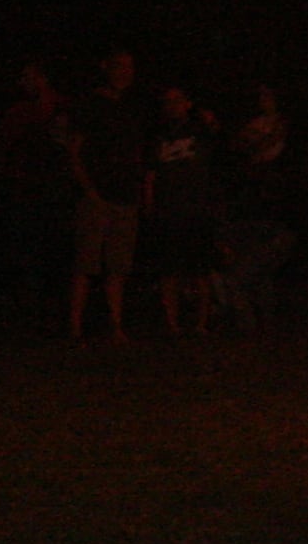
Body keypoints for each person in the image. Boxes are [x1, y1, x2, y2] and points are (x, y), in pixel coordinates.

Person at [66, 52, 146, 343]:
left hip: (125, 196)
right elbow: (74, 150)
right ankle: (75, 326)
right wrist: (89, 191)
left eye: (130, 67)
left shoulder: (131, 107)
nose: (126, 72)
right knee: (87, 263)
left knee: (118, 266)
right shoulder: (91, 105)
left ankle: (115, 325)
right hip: (97, 195)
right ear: (106, 68)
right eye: (120, 66)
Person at [140, 83, 224, 337]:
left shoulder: (200, 131)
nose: (173, 105)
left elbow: (223, 146)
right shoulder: (158, 136)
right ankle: (172, 324)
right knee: (169, 271)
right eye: (168, 101)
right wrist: (149, 203)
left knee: (199, 270)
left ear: (187, 103)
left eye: (178, 100)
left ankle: (200, 324)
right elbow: (151, 173)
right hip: (168, 209)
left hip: (197, 208)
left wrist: (212, 124)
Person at [0, 63, 70, 317]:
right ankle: (30, 312)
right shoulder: (18, 112)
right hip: (25, 192)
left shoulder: (62, 106)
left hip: (57, 191)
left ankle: (56, 312)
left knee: (55, 251)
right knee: (26, 253)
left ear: (41, 78)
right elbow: (1, 152)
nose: (22, 82)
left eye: (26, 76)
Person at [219, 84, 293, 335]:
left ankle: (250, 328)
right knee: (258, 275)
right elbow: (241, 142)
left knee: (242, 278)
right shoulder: (245, 172)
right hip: (252, 223)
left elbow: (266, 144)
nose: (264, 101)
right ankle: (263, 328)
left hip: (271, 226)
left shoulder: (275, 168)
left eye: (268, 97)